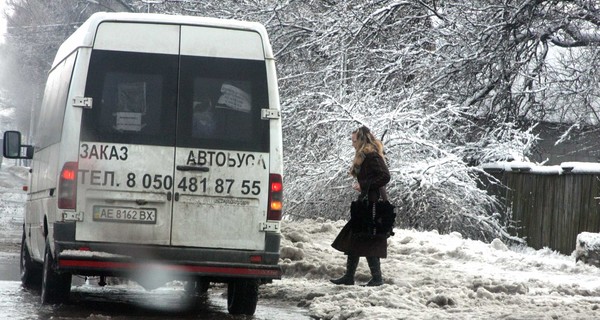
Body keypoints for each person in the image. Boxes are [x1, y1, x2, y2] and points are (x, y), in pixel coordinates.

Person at [330, 126, 391, 286]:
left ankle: (377, 278)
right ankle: (350, 276)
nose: (352, 144)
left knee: (367, 238)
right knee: (356, 237)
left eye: (354, 140)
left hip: (372, 204)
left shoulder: (371, 156)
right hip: (366, 202)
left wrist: (363, 185)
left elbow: (385, 176)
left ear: (362, 140)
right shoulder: (366, 157)